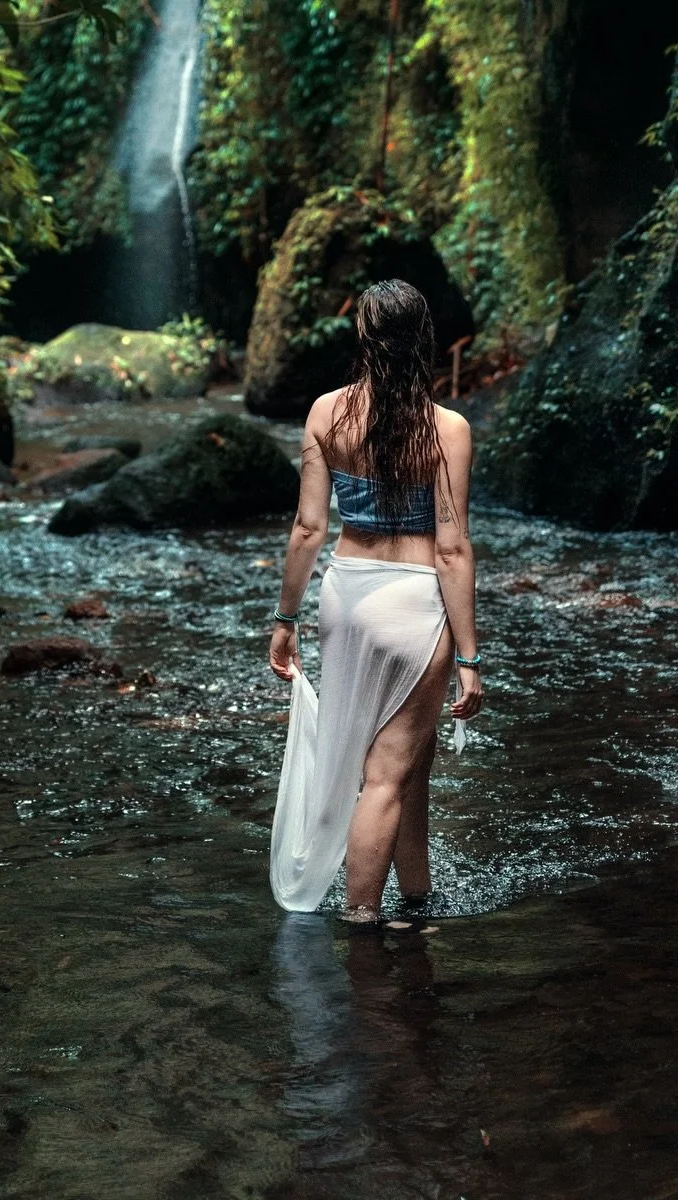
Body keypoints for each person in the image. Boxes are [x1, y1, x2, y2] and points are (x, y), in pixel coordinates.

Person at [267, 278, 482, 923]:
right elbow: (452, 548)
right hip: (414, 606)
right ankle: (362, 920)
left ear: (362, 334)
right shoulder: (448, 429)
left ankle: (416, 898)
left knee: (412, 759)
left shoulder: (326, 413)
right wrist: (470, 656)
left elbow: (309, 530)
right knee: (386, 775)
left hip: (345, 597)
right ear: (423, 340)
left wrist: (286, 619)